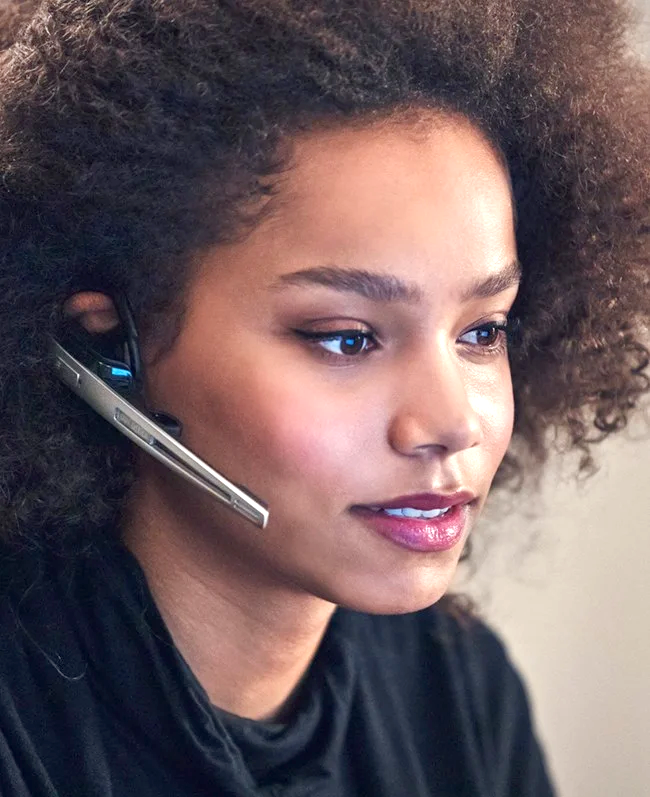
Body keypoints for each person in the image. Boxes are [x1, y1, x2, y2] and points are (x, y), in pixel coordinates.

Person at [0, 1, 648, 795]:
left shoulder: (456, 692)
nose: (450, 424)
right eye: (347, 337)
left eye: (482, 331)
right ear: (110, 349)